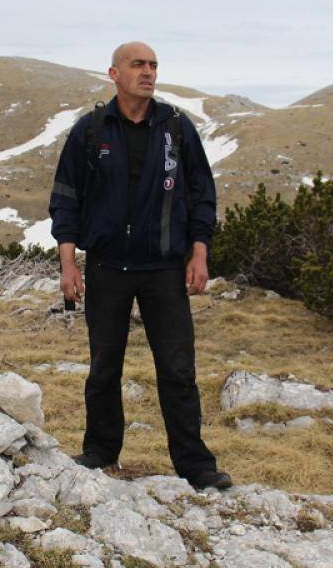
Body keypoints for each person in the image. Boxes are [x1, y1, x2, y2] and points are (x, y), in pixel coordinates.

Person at [48, 41, 232, 490]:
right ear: (114, 74)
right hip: (107, 266)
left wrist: (199, 253)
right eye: (137, 65)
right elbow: (66, 198)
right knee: (104, 366)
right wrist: (68, 265)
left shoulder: (176, 128)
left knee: (177, 369)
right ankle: (100, 452)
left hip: (164, 268)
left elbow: (202, 194)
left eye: (153, 65)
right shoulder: (91, 130)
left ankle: (196, 465)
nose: (148, 72)